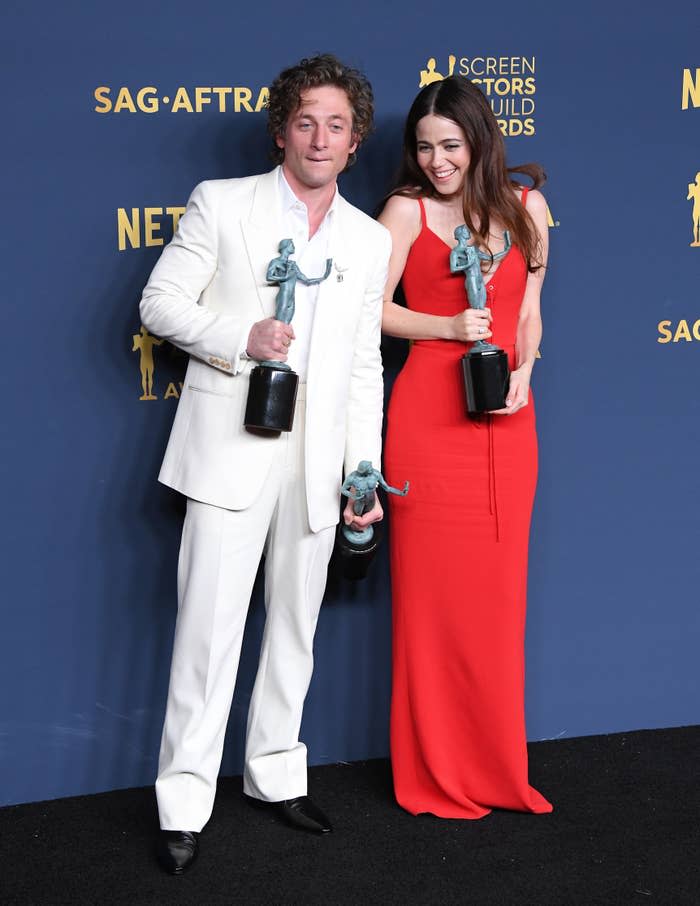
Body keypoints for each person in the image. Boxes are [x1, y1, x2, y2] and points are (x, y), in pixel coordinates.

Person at [140, 53, 391, 873]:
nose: (321, 138)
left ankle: (276, 775)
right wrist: (239, 338)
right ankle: (183, 803)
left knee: (295, 629)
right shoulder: (224, 204)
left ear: (355, 143)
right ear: (282, 127)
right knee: (207, 634)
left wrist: (365, 473)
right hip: (230, 450)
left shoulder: (368, 236)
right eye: (307, 121)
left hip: (320, 465)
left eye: (338, 125)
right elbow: (159, 302)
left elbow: (361, 366)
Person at [379, 75, 553, 819]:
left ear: (480, 140)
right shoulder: (403, 211)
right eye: (424, 146)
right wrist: (447, 329)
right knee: (430, 604)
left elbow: (531, 313)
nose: (437, 160)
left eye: (450, 144)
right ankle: (434, 772)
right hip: (427, 419)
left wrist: (524, 370)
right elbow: (372, 312)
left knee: (497, 602)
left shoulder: (528, 207)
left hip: (509, 421)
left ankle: (496, 770)